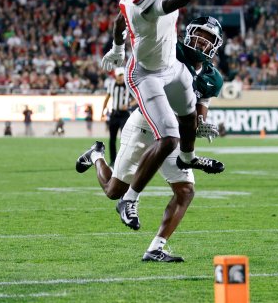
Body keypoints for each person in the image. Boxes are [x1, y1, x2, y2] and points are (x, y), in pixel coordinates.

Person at [99, 0, 233, 229]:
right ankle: (129, 200)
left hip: (170, 66)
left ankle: (188, 158)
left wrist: (118, 47)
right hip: (146, 73)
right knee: (170, 136)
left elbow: (120, 17)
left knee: (187, 116)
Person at [77, 16, 224, 262]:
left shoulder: (212, 78)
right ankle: (96, 156)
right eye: (199, 35)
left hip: (172, 134)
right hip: (144, 124)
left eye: (207, 40)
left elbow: (200, 107)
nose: (201, 42)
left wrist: (200, 124)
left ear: (215, 46)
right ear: (188, 34)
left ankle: (156, 247)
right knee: (114, 191)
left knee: (185, 191)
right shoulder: (170, 51)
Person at [101, 67, 135, 164]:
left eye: (122, 75)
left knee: (125, 138)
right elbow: (107, 98)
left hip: (125, 115)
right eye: (120, 75)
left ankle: (125, 160)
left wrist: (128, 105)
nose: (121, 77)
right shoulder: (111, 85)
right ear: (116, 76)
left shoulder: (128, 85)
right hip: (114, 114)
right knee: (112, 139)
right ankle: (113, 160)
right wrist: (102, 111)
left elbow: (135, 99)